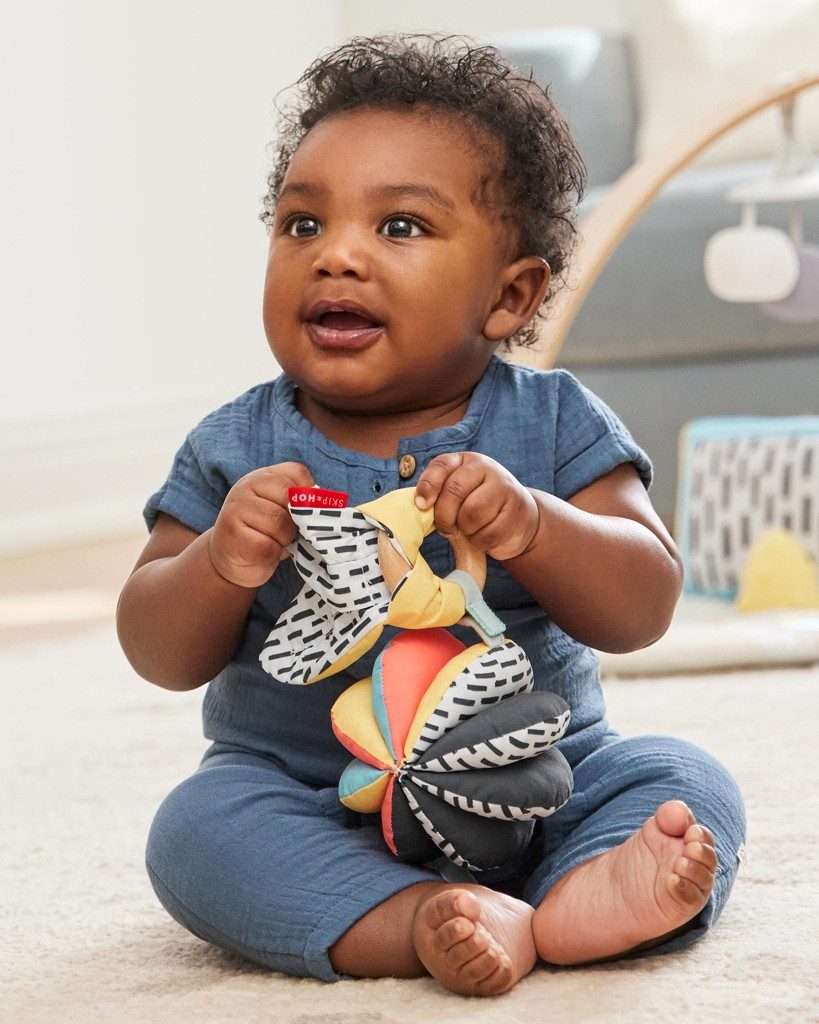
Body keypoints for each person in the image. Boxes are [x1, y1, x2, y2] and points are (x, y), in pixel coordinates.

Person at [117, 34, 746, 997]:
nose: (336, 255)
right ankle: (419, 918)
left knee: (682, 778)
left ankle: (588, 886)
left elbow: (643, 603)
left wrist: (534, 526)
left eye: (400, 226)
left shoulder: (553, 421)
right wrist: (216, 564)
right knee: (195, 832)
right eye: (301, 224)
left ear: (509, 294)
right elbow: (156, 649)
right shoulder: (235, 446)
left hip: (540, 781)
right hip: (312, 797)